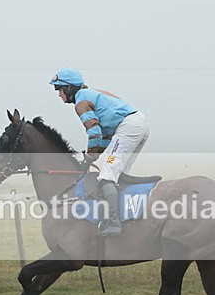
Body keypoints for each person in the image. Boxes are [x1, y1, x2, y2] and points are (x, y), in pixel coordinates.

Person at [50, 68, 149, 236]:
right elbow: (103, 138)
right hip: (138, 125)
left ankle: (114, 223)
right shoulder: (88, 94)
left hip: (128, 127)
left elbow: (94, 132)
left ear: (69, 88)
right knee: (119, 174)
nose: (58, 94)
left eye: (59, 89)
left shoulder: (81, 101)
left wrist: (89, 156)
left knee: (107, 174)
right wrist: (92, 157)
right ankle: (127, 218)